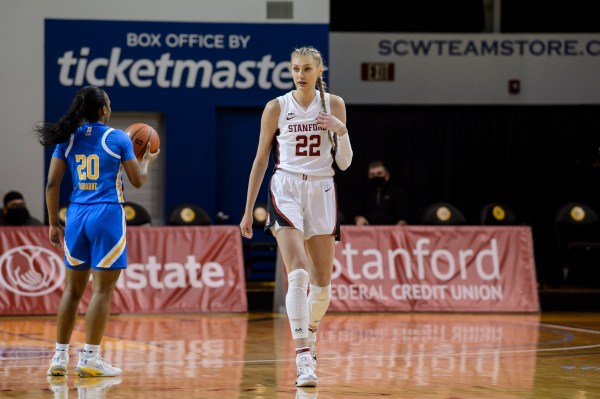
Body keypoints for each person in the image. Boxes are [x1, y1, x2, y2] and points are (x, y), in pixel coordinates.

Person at [240, 46, 353, 387]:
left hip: (322, 191)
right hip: (286, 187)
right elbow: (261, 160)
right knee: (298, 274)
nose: (300, 74)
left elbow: (345, 163)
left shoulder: (334, 104)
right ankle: (304, 357)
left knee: (322, 287)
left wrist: (340, 130)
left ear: (320, 70)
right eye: (295, 69)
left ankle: (310, 332)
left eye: (306, 68)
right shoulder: (276, 107)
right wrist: (248, 209)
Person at [35, 86, 159, 377]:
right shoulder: (117, 137)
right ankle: (90, 357)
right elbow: (138, 181)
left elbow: (52, 185)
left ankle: (59, 357)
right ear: (103, 110)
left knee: (71, 290)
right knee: (102, 291)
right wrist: (147, 161)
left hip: (76, 214)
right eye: (110, 105)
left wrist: (54, 222)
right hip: (106, 214)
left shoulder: (67, 139)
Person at [354, 161, 410, 226]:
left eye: (379, 174)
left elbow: (403, 217)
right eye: (372, 175)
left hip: (392, 232)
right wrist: (358, 218)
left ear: (387, 176)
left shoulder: (397, 193)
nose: (376, 177)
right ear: (368, 177)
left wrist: (401, 223)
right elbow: (356, 213)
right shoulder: (363, 193)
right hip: (367, 232)